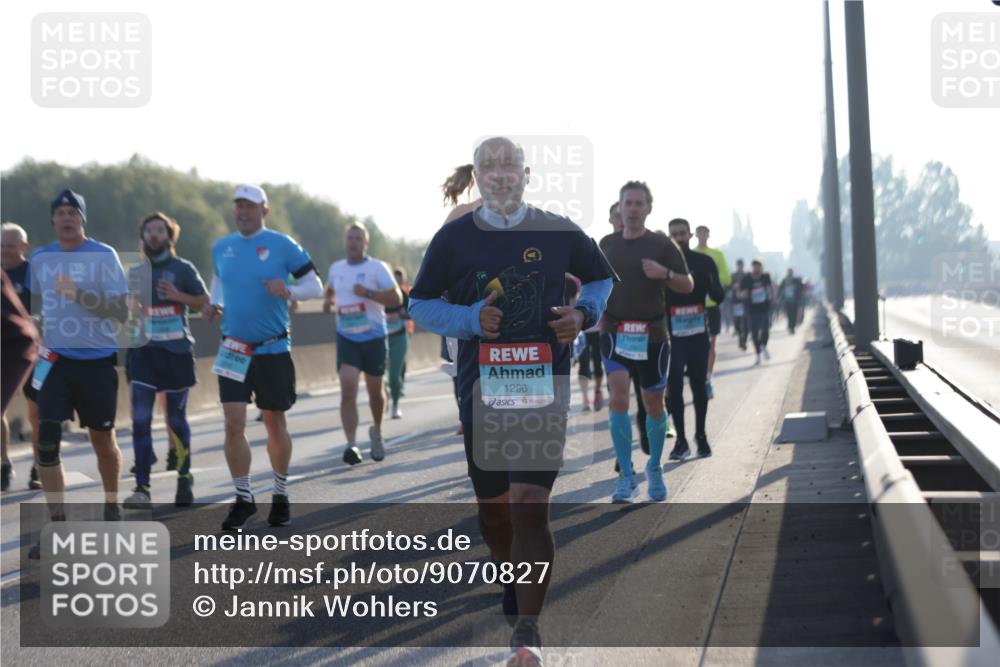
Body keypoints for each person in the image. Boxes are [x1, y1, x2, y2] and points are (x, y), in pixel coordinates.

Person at [409, 137, 615, 667]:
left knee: (529, 504)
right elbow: (420, 304)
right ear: (477, 178)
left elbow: (599, 278)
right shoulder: (454, 238)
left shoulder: (558, 230)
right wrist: (469, 318)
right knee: (496, 513)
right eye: (489, 167)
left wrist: (583, 315)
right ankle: (510, 576)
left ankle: (527, 630)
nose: (500, 174)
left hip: (543, 384)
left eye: (509, 166)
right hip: (481, 388)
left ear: (527, 174)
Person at [202, 185, 323, 530]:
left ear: (264, 211)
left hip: (272, 347)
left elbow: (315, 285)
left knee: (274, 422)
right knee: (233, 422)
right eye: (238, 207)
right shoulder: (221, 247)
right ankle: (244, 500)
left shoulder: (283, 245)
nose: (243, 212)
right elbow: (219, 281)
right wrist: (214, 304)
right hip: (233, 348)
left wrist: (289, 291)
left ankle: (280, 493)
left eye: (250, 207)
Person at [29, 189, 129, 548]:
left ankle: (112, 505)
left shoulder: (103, 255)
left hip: (96, 362)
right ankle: (57, 525)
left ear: (82, 219)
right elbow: (29, 304)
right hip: (54, 361)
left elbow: (121, 311)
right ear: (53, 220)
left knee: (102, 440)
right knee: (46, 439)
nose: (67, 218)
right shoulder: (41, 258)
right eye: (61, 213)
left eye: (73, 212)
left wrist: (79, 295)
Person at [600, 181, 693, 503]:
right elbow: (595, 282)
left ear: (649, 208)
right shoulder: (607, 244)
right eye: (628, 203)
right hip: (614, 331)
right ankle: (626, 475)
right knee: (618, 399)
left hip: (652, 336)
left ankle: (654, 467)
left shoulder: (662, 244)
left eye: (639, 204)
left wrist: (664, 273)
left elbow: (687, 284)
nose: (633, 209)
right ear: (620, 207)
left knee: (654, 404)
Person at [122, 212, 209, 509]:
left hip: (176, 353)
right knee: (140, 419)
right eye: (149, 230)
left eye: (160, 230)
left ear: (169, 236)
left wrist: (177, 295)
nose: (154, 235)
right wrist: (131, 306)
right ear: (143, 236)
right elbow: (129, 310)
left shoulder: (183, 268)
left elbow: (203, 301)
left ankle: (184, 477)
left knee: (175, 420)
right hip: (144, 354)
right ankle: (142, 487)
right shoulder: (136, 271)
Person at [324, 224, 402, 465]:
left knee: (374, 391)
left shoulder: (377, 268)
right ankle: (351, 445)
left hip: (374, 337)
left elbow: (397, 298)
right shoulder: (336, 268)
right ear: (345, 241)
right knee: (348, 388)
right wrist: (328, 302)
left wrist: (368, 293)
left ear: (365, 243)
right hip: (347, 337)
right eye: (350, 238)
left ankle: (377, 431)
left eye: (358, 238)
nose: (353, 242)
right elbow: (330, 291)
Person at [664, 219, 725, 460]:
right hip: (673, 337)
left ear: (690, 235)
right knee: (674, 387)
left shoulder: (704, 262)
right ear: (669, 237)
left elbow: (719, 296)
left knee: (699, 385)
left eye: (682, 233)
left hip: (698, 333)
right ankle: (681, 440)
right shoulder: (663, 265)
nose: (679, 238)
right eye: (674, 234)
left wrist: (708, 282)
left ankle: (701, 436)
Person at [1, 222, 42, 491]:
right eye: (1, 246)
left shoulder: (35, 274)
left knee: (36, 411)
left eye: (10, 246)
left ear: (23, 246)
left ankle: (39, 466)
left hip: (37, 352)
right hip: (5, 351)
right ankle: (4, 463)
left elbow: (48, 307)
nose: (4, 251)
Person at [692, 225, 730, 400]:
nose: (702, 236)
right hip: (695, 306)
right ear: (695, 235)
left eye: (704, 233)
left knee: (711, 344)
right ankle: (698, 377)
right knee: (695, 345)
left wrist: (710, 280)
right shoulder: (691, 254)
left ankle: (708, 379)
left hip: (712, 305)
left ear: (708, 235)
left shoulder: (717, 254)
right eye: (699, 233)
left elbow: (727, 277)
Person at [385, 267, 412, 419]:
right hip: (380, 338)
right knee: (379, 376)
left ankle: (395, 405)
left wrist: (398, 315)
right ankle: (383, 396)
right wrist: (383, 316)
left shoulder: (402, 293)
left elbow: (412, 312)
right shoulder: (378, 294)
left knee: (395, 375)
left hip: (399, 337)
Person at [739, 258, 775, 365]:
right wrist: (743, 294)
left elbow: (770, 288)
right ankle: (758, 354)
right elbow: (740, 293)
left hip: (764, 307)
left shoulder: (765, 277)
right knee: (754, 333)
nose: (757, 268)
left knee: (765, 330)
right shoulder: (746, 279)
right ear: (752, 267)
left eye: (759, 266)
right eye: (755, 266)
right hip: (751, 309)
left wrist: (772, 297)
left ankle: (763, 345)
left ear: (761, 267)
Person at [778, 267, 804, 334]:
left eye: (791, 271)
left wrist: (799, 294)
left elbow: (801, 288)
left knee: (794, 313)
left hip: (795, 300)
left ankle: (793, 326)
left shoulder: (796, 280)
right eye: (789, 271)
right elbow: (780, 289)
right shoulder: (784, 280)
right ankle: (790, 326)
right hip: (787, 300)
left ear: (793, 272)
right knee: (789, 314)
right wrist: (780, 298)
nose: (790, 273)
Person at [730, 258, 748, 351]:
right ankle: (740, 339)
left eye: (741, 265)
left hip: (745, 301)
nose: (740, 266)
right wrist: (733, 287)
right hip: (736, 302)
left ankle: (743, 341)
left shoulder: (746, 275)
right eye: (738, 265)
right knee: (737, 322)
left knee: (745, 322)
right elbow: (727, 286)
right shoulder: (733, 276)